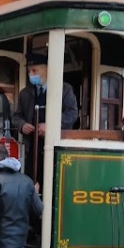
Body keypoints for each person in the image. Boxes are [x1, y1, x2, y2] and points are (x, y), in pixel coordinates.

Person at [11, 52, 78, 187]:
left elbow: (72, 114)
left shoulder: (64, 89)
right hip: (32, 147)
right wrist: (23, 125)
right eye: (29, 71)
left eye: (34, 70)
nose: (31, 74)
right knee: (32, 184)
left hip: (55, 147)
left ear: (46, 69)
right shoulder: (25, 93)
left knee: (52, 185)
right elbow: (16, 117)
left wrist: (51, 126)